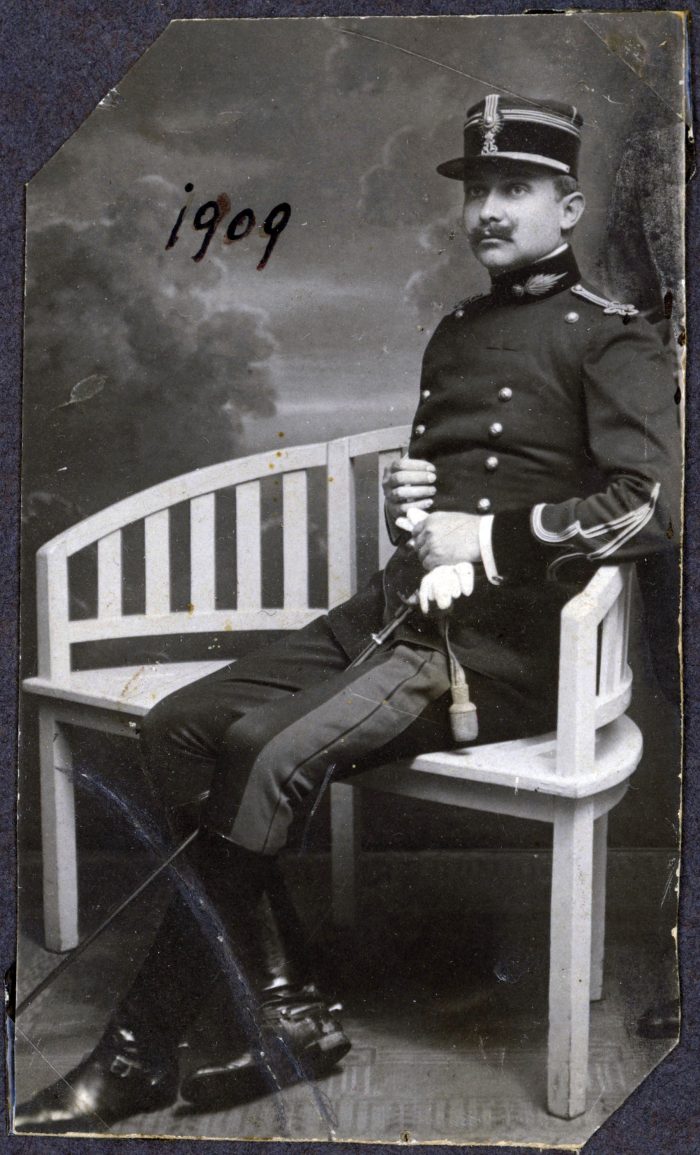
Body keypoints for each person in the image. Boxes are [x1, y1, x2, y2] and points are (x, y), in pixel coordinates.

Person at [16, 94, 681, 1132]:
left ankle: (137, 1053)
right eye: (477, 190)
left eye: (515, 189)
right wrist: (408, 511)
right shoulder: (456, 330)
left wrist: (488, 541)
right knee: (179, 726)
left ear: (569, 207)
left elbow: (654, 505)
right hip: (396, 614)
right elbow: (443, 497)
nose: (488, 210)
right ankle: (284, 1009)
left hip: (503, 652)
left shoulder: (612, 339)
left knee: (265, 751)